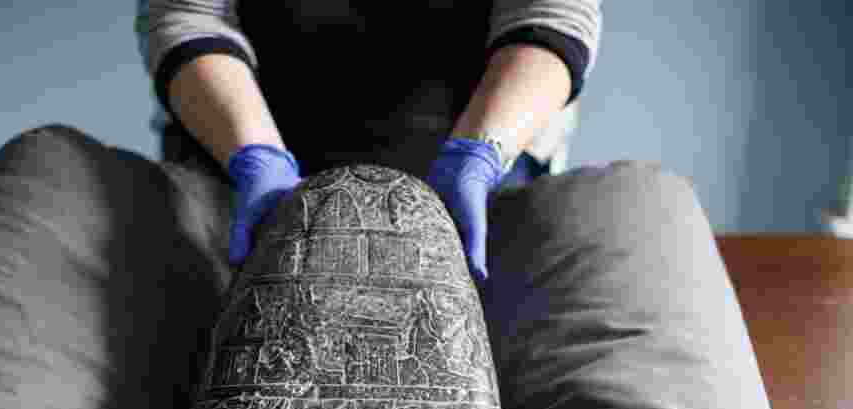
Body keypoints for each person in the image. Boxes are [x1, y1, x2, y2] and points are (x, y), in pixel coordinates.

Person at [135, 1, 602, 284]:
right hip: (240, 151)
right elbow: (187, 14)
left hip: (478, 150)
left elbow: (552, 14)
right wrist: (255, 158)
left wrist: (477, 158)